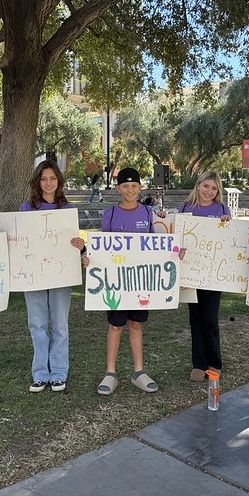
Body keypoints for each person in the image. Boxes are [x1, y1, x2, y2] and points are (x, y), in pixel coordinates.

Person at [86, 167, 160, 396]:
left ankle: (139, 371)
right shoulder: (110, 214)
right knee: (116, 325)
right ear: (118, 189)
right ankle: (110, 372)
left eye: (134, 186)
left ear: (140, 188)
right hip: (116, 283)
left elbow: (160, 243)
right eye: (125, 186)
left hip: (139, 282)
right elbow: (102, 246)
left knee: (136, 324)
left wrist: (175, 252)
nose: (130, 190)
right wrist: (91, 258)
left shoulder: (148, 214)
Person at [20, 160, 85, 393]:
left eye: (53, 178)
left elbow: (74, 246)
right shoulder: (26, 209)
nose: (48, 183)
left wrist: (81, 246)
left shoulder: (67, 211)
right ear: (38, 181)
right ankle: (39, 373)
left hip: (61, 275)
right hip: (34, 275)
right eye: (44, 178)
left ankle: (58, 372)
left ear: (59, 182)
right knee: (36, 324)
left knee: (60, 324)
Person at [179, 171, 232, 382]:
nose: (209, 191)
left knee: (210, 318)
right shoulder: (185, 208)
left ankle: (214, 363)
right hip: (190, 273)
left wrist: (227, 223)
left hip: (213, 274)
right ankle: (198, 364)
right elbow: (177, 236)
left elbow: (229, 239)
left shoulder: (222, 209)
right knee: (195, 319)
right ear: (198, 185)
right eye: (206, 186)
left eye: (214, 188)